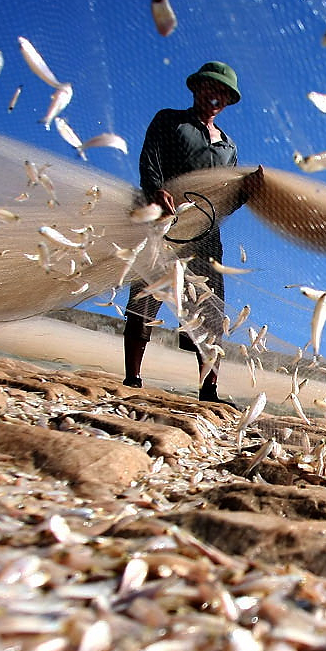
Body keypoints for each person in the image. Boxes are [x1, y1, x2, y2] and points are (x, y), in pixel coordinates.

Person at [123, 61, 241, 405]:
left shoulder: (229, 148)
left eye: (222, 93)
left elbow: (225, 198)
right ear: (196, 89)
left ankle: (209, 390)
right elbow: (150, 160)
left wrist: (246, 192)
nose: (215, 97)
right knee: (145, 294)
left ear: (228, 101)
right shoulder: (170, 120)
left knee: (209, 309)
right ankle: (132, 377)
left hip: (205, 235)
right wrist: (157, 191)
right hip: (162, 222)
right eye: (210, 88)